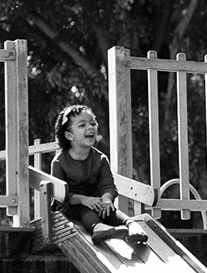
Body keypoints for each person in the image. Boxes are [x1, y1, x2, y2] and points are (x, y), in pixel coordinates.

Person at [50, 104, 148, 246]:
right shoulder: (59, 162)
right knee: (86, 209)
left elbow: (108, 186)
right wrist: (83, 199)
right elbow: (60, 196)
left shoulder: (100, 159)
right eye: (82, 125)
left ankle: (132, 226)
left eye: (92, 123)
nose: (90, 127)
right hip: (70, 206)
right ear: (69, 135)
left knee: (109, 209)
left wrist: (107, 199)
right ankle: (99, 229)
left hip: (96, 202)